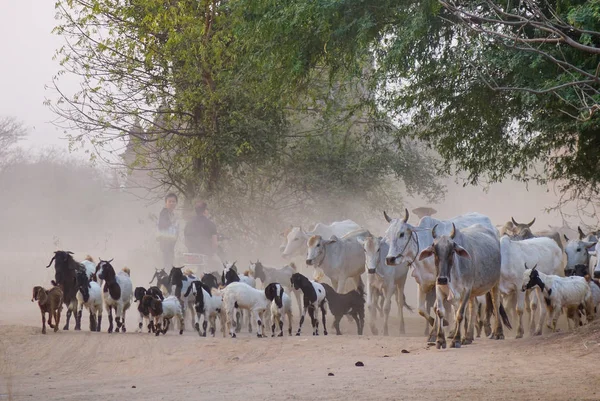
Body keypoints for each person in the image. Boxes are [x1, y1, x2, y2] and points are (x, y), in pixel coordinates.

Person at [157, 192, 179, 270]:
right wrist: (172, 221)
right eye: (170, 201)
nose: (172, 203)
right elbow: (162, 225)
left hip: (170, 245)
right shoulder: (164, 213)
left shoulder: (172, 214)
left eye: (173, 201)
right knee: (167, 266)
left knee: (170, 265)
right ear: (166, 202)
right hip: (165, 246)